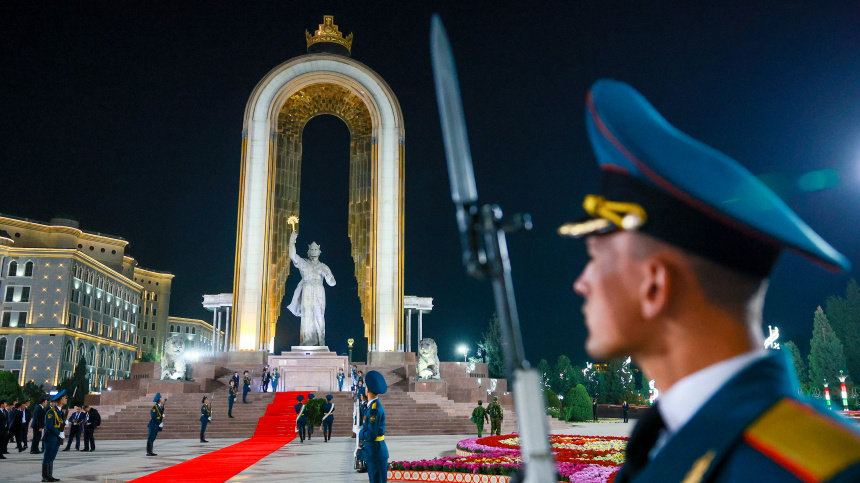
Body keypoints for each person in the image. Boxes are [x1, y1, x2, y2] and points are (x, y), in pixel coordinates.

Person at [561, 79, 860, 481]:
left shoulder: (828, 471)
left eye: (595, 259)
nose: (582, 283)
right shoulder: (661, 454)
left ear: (654, 285)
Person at [286, 230, 336, 346]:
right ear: (308, 252)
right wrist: (292, 240)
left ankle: (321, 341)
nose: (313, 251)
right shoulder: (304, 263)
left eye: (315, 249)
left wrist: (328, 276)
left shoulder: (323, 266)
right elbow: (292, 255)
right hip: (307, 288)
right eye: (311, 250)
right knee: (307, 314)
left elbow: (332, 283)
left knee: (319, 314)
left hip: (319, 289)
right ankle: (307, 341)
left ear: (319, 252)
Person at [359, 370, 388, 483]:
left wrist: (360, 433)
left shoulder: (374, 410)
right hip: (375, 452)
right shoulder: (372, 407)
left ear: (367, 390)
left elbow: (371, 434)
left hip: (376, 452)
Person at [42, 390, 67, 482]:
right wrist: (58, 433)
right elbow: (49, 426)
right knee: (48, 456)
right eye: (64, 398)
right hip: (51, 437)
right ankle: (45, 476)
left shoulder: (61, 412)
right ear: (60, 400)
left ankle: (50, 475)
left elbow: (59, 424)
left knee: (52, 457)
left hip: (56, 437)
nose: (66, 400)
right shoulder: (51, 412)